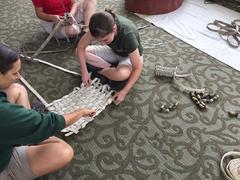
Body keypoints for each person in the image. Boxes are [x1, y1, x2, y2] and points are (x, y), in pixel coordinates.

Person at [0, 43, 96, 180]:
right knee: (64, 151)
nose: (19, 76)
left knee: (17, 89)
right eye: (14, 73)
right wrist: (81, 112)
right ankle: (29, 134)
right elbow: (52, 123)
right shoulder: (3, 114)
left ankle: (27, 130)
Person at [76, 10, 143, 105]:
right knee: (79, 53)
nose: (102, 44)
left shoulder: (128, 34)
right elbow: (80, 47)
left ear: (114, 29)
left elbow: (137, 67)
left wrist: (124, 92)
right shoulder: (96, 27)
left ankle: (100, 70)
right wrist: (84, 72)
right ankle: (109, 69)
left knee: (121, 75)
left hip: (129, 56)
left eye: (105, 39)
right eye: (98, 41)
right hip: (113, 51)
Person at [32, 0, 96, 39]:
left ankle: (86, 31)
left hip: (70, 14)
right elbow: (39, 14)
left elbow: (74, 3)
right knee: (73, 31)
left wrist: (71, 14)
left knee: (90, 1)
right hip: (52, 22)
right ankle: (84, 25)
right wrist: (52, 17)